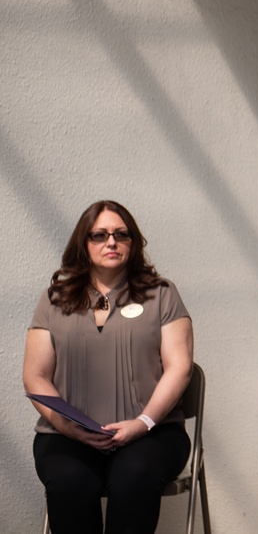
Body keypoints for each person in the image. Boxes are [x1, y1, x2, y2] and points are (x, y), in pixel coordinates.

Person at [23, 200, 194, 534]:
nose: (111, 242)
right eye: (99, 235)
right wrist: (68, 428)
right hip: (66, 435)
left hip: (152, 435)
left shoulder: (162, 294)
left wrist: (142, 424)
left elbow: (180, 368)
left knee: (132, 478)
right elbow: (35, 375)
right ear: (83, 244)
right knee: (70, 482)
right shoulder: (54, 299)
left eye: (121, 234)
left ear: (133, 242)